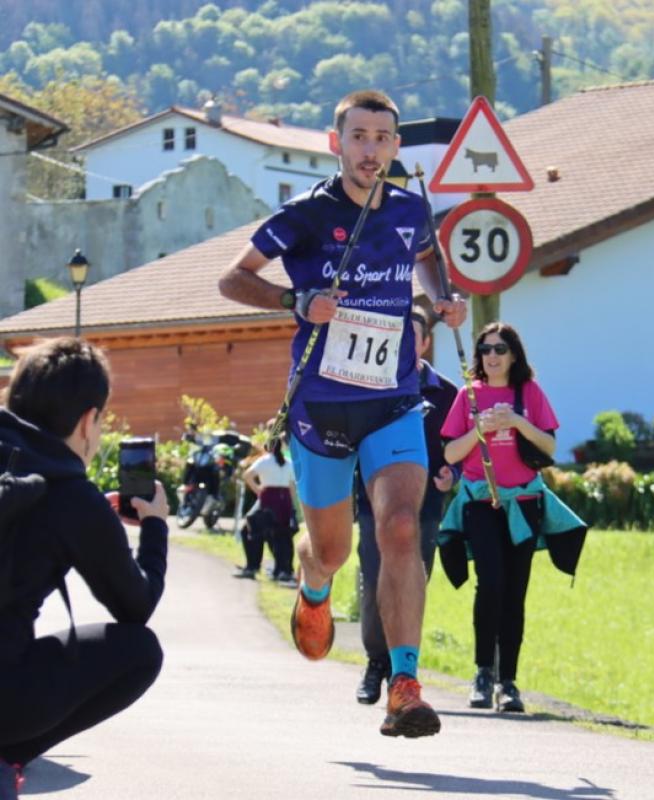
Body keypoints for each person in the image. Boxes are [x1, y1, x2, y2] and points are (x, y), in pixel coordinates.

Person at [219, 89, 466, 738]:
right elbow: (231, 278)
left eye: (384, 138)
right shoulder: (305, 215)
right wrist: (294, 301)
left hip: (393, 400)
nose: (371, 149)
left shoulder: (412, 210)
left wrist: (445, 299)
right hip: (323, 406)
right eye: (359, 136)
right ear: (338, 143)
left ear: (393, 147)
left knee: (404, 528)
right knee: (334, 548)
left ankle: (405, 684)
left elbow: (428, 259)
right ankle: (315, 582)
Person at [0, 337, 169, 799]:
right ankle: (8, 757)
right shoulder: (72, 496)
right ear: (89, 419)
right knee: (139, 651)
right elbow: (135, 607)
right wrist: (154, 528)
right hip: (5, 695)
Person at [440, 322, 586, 714]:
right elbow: (451, 454)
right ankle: (483, 673)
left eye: (500, 349)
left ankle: (509, 682)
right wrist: (480, 430)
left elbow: (550, 446)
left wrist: (517, 422)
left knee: (514, 592)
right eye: (485, 349)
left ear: (514, 355)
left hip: (524, 504)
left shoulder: (530, 393)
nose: (492, 356)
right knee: (490, 584)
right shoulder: (468, 396)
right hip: (481, 503)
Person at [354, 308, 458, 705]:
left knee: (412, 584)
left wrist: (454, 474)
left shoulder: (447, 394)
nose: (404, 344)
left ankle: (403, 672)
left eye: (412, 337)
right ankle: (375, 665)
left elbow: (459, 448)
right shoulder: (371, 388)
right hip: (373, 502)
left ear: (426, 342)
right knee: (373, 581)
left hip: (426, 508)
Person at [236, 433, 298, 582]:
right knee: (282, 536)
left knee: (249, 530)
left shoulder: (264, 461)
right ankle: (283, 570)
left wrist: (258, 489)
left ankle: (252, 566)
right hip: (284, 502)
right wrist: (292, 508)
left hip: (268, 499)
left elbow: (247, 475)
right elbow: (292, 488)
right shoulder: (288, 463)